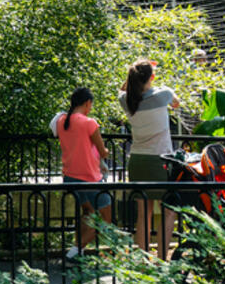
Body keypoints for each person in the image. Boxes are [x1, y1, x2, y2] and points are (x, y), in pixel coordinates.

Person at [119, 59, 181, 259]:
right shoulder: (163, 94)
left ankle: (143, 264)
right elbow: (176, 102)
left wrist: (138, 71)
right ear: (152, 77)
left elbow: (123, 89)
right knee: (168, 211)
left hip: (137, 161)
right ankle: (163, 260)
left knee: (142, 214)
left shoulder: (126, 100)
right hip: (159, 160)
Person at [55, 87, 111, 260]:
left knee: (87, 213)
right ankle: (74, 252)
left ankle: (77, 252)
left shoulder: (61, 121)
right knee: (106, 219)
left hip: (70, 176)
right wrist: (105, 152)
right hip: (89, 178)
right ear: (87, 103)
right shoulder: (89, 123)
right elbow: (103, 152)